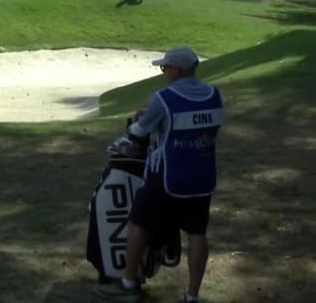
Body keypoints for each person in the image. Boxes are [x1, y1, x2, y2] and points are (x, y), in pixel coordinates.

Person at [93, 47, 224, 303]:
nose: (163, 72)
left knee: (138, 222)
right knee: (197, 233)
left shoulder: (164, 98)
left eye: (165, 68)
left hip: (167, 177)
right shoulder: (214, 95)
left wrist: (148, 119)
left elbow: (139, 132)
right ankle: (192, 296)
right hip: (203, 177)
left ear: (176, 69)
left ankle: (128, 283)